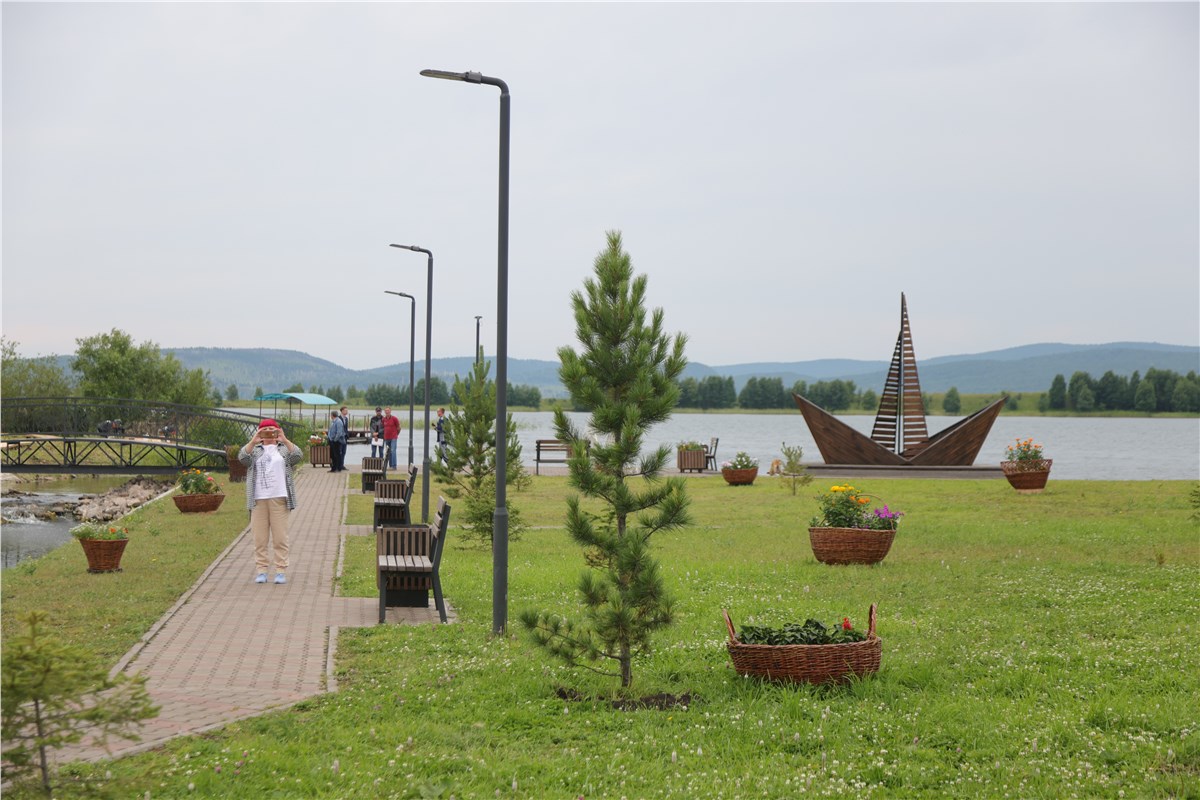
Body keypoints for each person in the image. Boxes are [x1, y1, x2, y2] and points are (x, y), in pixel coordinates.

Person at [239, 419, 303, 585]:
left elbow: (298, 455)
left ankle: (280, 570)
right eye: (265, 430)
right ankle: (262, 570)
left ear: (277, 431)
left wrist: (284, 439)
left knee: (280, 537)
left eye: (272, 429)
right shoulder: (255, 450)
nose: (269, 432)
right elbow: (242, 458)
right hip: (258, 499)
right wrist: (253, 441)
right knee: (259, 538)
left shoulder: (283, 450)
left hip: (279, 498)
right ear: (260, 432)